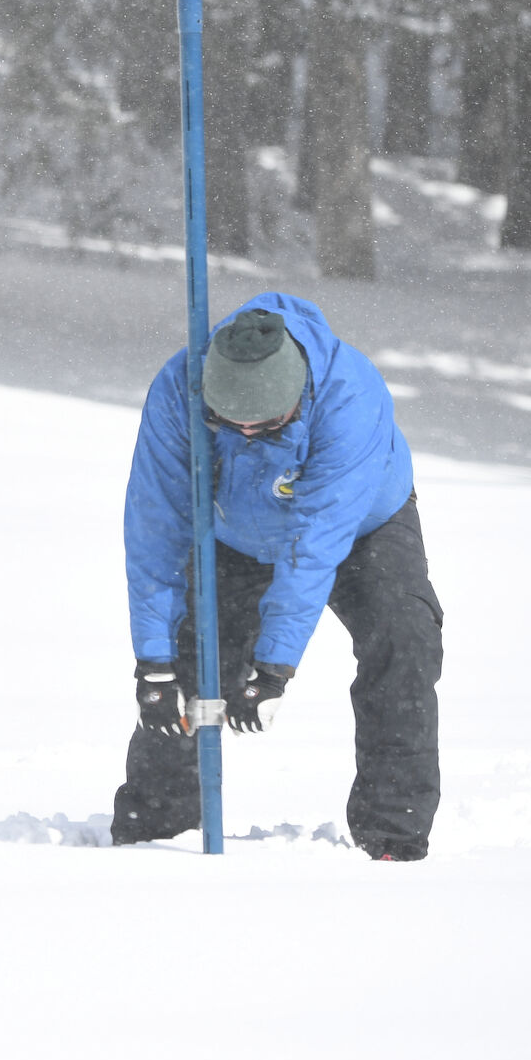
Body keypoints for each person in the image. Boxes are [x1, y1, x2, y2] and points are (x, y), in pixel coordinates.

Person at [115, 293, 442, 859]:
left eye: (263, 426)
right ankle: (153, 828)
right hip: (233, 533)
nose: (244, 435)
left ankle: (393, 832)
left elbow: (314, 547)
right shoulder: (178, 388)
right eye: (226, 423)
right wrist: (153, 663)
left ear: (297, 399)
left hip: (362, 525)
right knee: (190, 665)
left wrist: (273, 670)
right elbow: (156, 528)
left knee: (404, 636)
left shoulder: (349, 396)